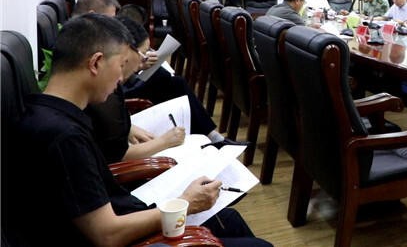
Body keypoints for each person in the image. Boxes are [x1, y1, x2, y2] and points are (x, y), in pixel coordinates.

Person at [6, 14, 271, 246]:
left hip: (122, 211)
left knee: (230, 220)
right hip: (120, 233)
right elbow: (107, 235)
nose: (122, 78)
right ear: (96, 63)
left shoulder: (44, 111)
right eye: (121, 65)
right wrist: (186, 203)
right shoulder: (64, 138)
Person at [87, 17, 239, 163]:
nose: (144, 58)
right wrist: (165, 141)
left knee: (173, 82)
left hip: (128, 139)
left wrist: (130, 127)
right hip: (128, 168)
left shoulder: (105, 86)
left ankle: (211, 136)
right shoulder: (104, 91)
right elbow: (118, 155)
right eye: (143, 53)